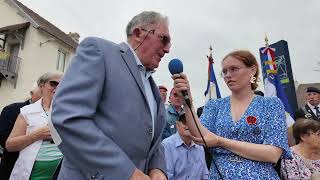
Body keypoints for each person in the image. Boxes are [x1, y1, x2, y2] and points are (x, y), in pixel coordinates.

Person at [51, 11, 170, 180]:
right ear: (138, 33)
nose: (167, 49)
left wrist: (157, 167)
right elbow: (68, 118)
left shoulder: (152, 86)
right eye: (164, 39)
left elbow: (151, 137)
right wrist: (126, 173)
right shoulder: (99, 51)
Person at [172, 50, 291, 179]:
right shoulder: (215, 105)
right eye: (224, 71)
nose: (228, 75)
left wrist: (221, 141)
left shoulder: (271, 104)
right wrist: (187, 102)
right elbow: (200, 136)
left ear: (252, 70)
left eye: (234, 69)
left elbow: (273, 154)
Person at [6, 72, 63, 179]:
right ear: (41, 86)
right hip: (32, 174)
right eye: (54, 83)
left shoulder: (68, 112)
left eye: (62, 84)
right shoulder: (27, 111)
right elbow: (10, 145)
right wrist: (37, 135)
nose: (58, 87)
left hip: (61, 173)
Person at [0, 83, 42, 179]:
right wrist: (36, 136)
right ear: (32, 94)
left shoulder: (52, 113)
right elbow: (4, 139)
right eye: (41, 93)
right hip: (13, 166)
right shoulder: (13, 110)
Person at [162, 113, 209, 180]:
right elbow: (168, 175)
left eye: (191, 122)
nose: (188, 125)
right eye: (184, 122)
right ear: (177, 125)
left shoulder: (200, 146)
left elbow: (205, 175)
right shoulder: (167, 145)